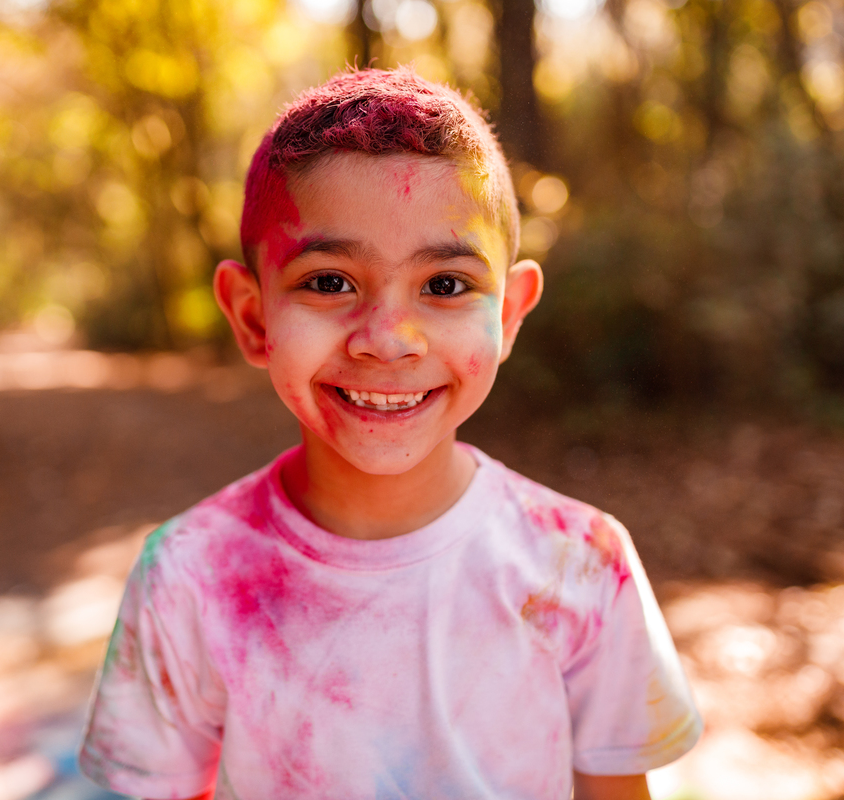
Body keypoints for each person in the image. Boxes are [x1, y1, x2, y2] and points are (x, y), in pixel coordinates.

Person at [78, 67, 701, 800]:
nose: (388, 340)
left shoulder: (584, 565)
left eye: (444, 286)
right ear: (252, 317)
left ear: (507, 317)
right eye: (330, 281)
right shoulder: (188, 575)